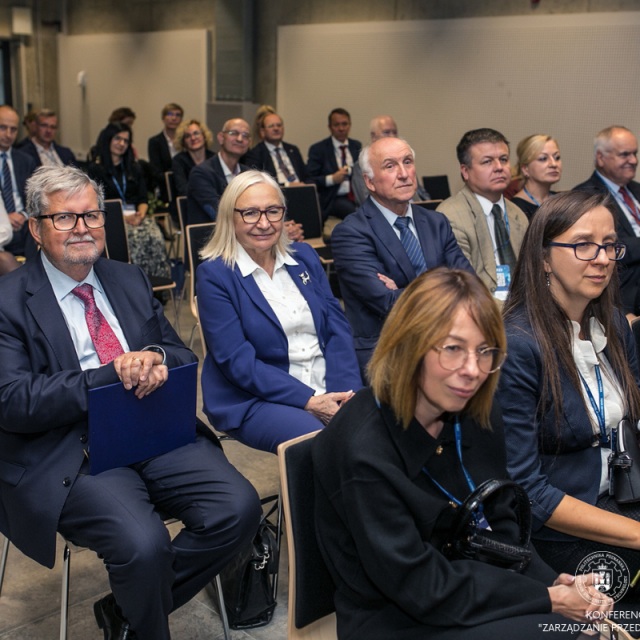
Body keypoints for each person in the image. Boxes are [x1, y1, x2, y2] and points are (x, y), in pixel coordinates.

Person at [0, 165, 261, 640]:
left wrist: (157, 358)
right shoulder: (9, 300)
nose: (82, 229)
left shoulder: (127, 278)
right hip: (70, 449)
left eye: (92, 216)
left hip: (151, 426)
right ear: (36, 229)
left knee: (239, 509)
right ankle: (146, 627)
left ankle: (125, 609)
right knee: (143, 544)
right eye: (65, 219)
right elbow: (12, 401)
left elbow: (181, 352)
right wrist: (106, 376)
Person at [313, 267, 614, 640]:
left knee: (596, 626)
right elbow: (420, 586)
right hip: (397, 615)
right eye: (453, 349)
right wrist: (548, 599)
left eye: (486, 351)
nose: (473, 371)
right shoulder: (364, 450)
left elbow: (503, 524)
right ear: (409, 344)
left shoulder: (474, 408)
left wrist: (554, 583)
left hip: (472, 580)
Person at [497, 190, 640, 584]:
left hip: (625, 498)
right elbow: (526, 490)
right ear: (543, 257)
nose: (601, 258)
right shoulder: (518, 346)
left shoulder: (612, 323)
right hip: (558, 533)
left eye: (610, 246)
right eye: (583, 245)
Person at [197, 170, 362, 454]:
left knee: (378, 427)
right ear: (230, 217)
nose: (264, 223)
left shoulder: (304, 257)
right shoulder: (215, 275)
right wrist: (309, 400)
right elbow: (238, 362)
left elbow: (337, 329)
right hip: (256, 397)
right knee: (324, 444)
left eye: (273, 211)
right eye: (250, 213)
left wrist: (347, 393)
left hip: (327, 382)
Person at [332, 136, 472, 378]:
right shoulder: (351, 232)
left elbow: (468, 284)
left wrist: (405, 289)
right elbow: (387, 303)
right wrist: (445, 285)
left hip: (448, 339)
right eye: (390, 166)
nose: (404, 173)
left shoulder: (436, 222)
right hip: (390, 350)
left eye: (407, 162)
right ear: (369, 181)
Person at [437, 128, 529, 302]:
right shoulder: (449, 216)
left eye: (504, 160)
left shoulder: (517, 214)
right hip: (482, 311)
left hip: (522, 309)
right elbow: (464, 288)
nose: (499, 168)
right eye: (487, 162)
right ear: (465, 171)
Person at [89, 122, 170, 280]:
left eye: (126, 141)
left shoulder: (134, 168)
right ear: (108, 139)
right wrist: (124, 218)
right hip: (112, 220)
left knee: (155, 237)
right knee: (134, 240)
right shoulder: (95, 169)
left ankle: (156, 288)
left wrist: (140, 215)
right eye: (117, 138)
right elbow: (97, 204)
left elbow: (143, 198)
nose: (121, 144)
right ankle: (133, 285)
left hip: (137, 217)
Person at [573, 126, 640, 319]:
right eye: (624, 155)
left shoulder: (637, 190)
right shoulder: (586, 196)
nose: (633, 161)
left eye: (635, 154)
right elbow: (610, 247)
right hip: (620, 297)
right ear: (601, 158)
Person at [351, 115, 430, 206]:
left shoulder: (404, 159)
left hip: (418, 211)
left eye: (394, 132)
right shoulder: (362, 166)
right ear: (373, 136)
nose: (392, 136)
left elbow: (422, 193)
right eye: (386, 132)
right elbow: (364, 199)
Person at [186, 118, 251, 225]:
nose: (240, 139)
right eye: (233, 133)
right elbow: (218, 213)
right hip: (211, 237)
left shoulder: (248, 174)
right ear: (221, 138)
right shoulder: (201, 173)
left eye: (245, 135)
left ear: (249, 143)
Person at [307, 108, 362, 221]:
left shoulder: (356, 146)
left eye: (344, 124)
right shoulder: (318, 149)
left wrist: (349, 170)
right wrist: (332, 179)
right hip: (334, 198)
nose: (341, 128)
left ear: (350, 125)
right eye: (336, 125)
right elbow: (310, 179)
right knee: (356, 213)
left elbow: (362, 170)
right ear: (330, 127)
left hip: (357, 195)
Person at [0, 105, 38, 265]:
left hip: (24, 225)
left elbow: (36, 198)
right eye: (2, 128)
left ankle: (33, 278)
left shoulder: (25, 160)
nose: (8, 134)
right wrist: (4, 218)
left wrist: (23, 215)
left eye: (13, 129)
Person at [241, 111, 308, 186]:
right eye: (271, 126)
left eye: (278, 125)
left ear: (283, 129)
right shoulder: (255, 154)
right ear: (262, 131)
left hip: (302, 190)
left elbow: (307, 175)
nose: (276, 128)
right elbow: (259, 182)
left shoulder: (293, 150)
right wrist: (287, 185)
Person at [511, 135, 562, 221]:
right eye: (543, 159)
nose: (554, 164)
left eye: (557, 157)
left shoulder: (561, 201)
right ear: (525, 168)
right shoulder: (516, 208)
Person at [148, 103, 183, 202]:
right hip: (164, 188)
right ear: (163, 118)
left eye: (177, 115)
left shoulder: (185, 141)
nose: (174, 118)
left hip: (183, 186)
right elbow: (155, 170)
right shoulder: (155, 142)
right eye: (170, 114)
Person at [171, 118, 214, 197]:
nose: (193, 138)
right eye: (187, 136)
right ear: (183, 141)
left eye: (196, 133)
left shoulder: (215, 158)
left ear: (204, 136)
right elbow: (183, 189)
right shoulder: (178, 160)